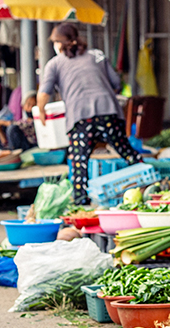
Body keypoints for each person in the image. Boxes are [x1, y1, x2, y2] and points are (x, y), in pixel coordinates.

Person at [36, 23, 142, 205]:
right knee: (127, 152)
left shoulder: (54, 64)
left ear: (59, 44)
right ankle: (149, 184)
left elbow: (44, 93)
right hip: (109, 111)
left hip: (80, 117)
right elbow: (116, 82)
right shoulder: (97, 55)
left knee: (79, 163)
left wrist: (41, 112)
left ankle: (80, 205)